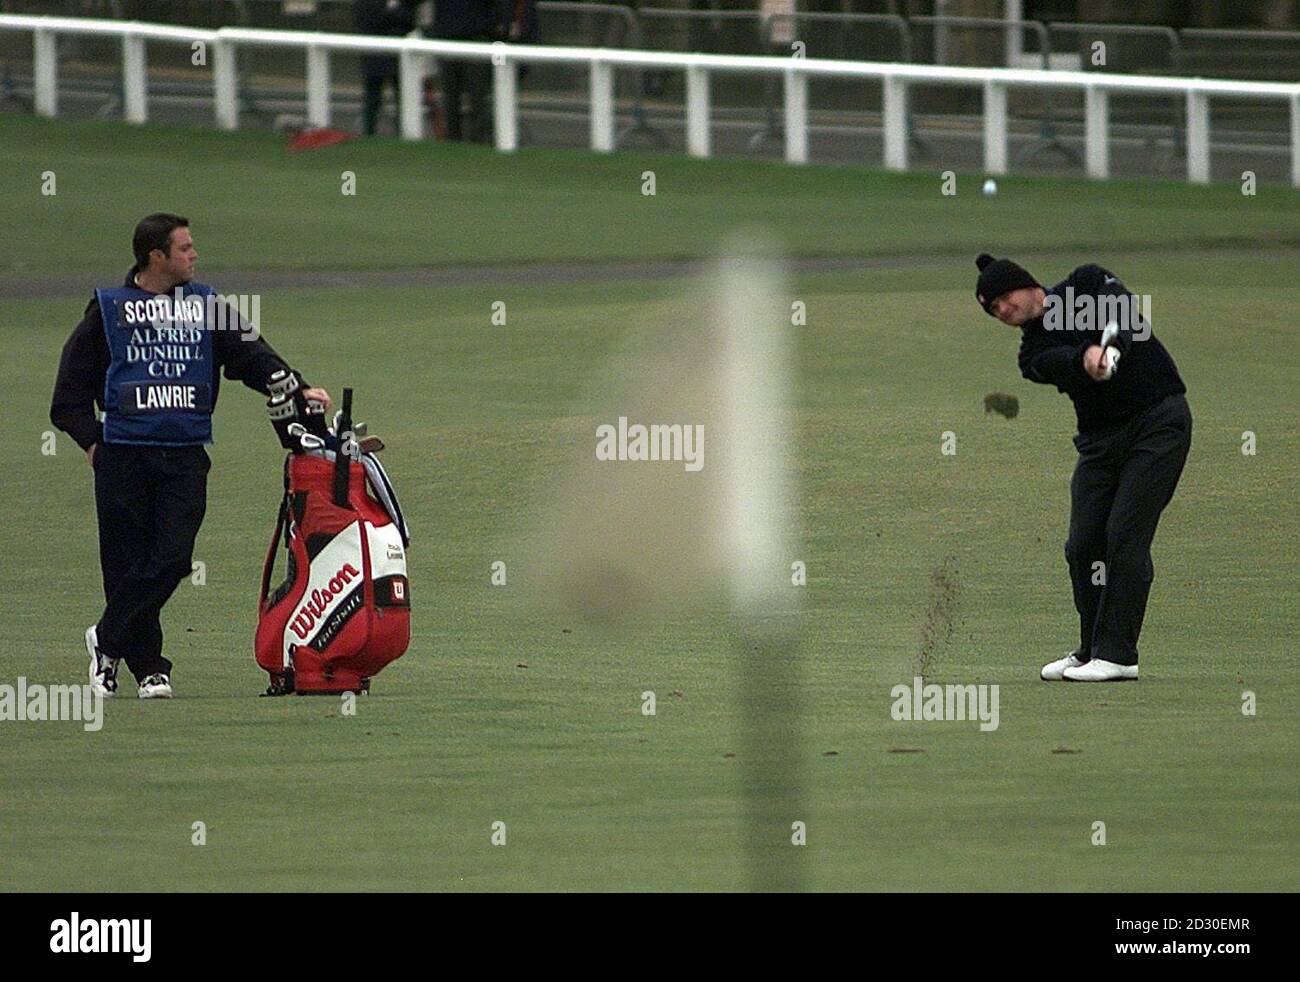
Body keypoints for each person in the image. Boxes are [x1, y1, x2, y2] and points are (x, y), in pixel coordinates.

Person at [50, 214, 330, 699]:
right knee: (125, 562)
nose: (194, 255)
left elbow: (253, 355)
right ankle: (147, 666)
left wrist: (299, 388)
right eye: (184, 249)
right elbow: (68, 393)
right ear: (156, 257)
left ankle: (107, 639)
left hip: (184, 453)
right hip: (124, 456)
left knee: (173, 557)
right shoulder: (109, 311)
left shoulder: (207, 307)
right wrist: (92, 440)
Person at [974, 254, 1192, 682]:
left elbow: (1122, 314)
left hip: (1159, 423)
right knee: (1083, 544)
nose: (1001, 309)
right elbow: (1058, 362)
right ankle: (1092, 649)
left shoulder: (1086, 284)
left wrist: (1112, 348)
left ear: (1026, 283)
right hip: (1100, 444)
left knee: (1124, 535)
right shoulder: (1032, 352)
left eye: (1003, 296)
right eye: (991, 308)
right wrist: (1086, 359)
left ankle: (1119, 656)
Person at [430, 0, 498, 142]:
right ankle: (452, 139)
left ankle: (480, 140)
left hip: (477, 38)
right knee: (450, 96)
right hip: (447, 38)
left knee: (477, 96)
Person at [353, 0, 418, 136]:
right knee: (372, 98)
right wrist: (394, 13)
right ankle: (369, 134)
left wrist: (394, 13)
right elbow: (370, 19)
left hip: (397, 55)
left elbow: (409, 19)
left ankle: (405, 133)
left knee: (403, 99)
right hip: (375, 54)